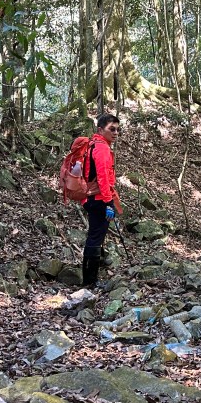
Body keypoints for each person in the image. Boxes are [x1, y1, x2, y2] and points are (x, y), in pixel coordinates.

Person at [81, 113, 122, 287]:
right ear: (100, 130)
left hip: (90, 197)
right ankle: (90, 281)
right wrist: (108, 203)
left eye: (118, 129)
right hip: (99, 199)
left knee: (94, 235)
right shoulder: (102, 148)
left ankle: (90, 277)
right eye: (111, 129)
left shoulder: (93, 145)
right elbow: (103, 177)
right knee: (96, 237)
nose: (116, 133)